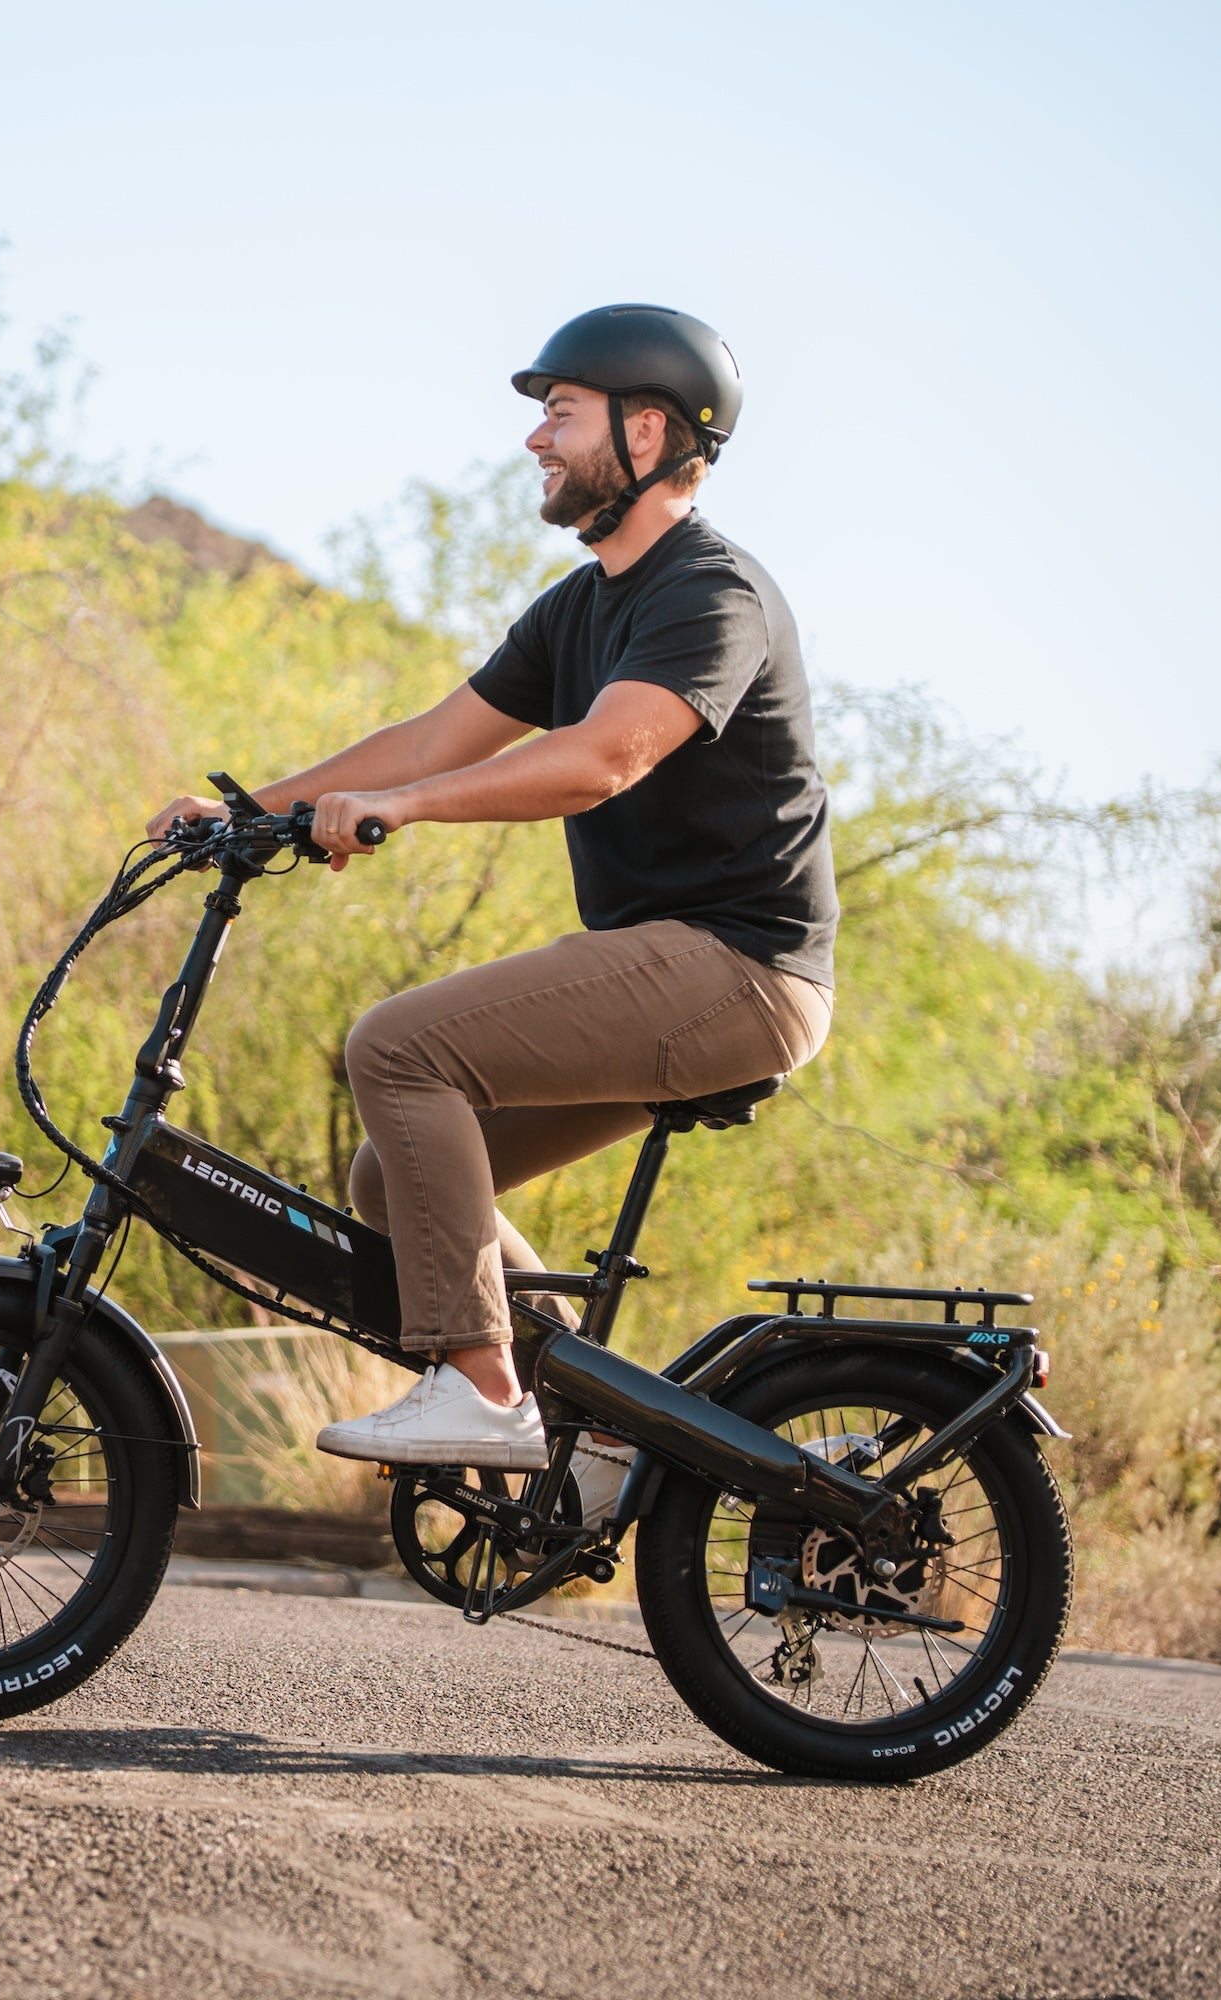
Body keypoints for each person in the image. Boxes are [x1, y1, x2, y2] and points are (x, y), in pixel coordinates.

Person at [146, 304, 835, 1507]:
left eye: (560, 414)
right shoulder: (580, 608)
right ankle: (591, 1424)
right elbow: (431, 734)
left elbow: (601, 758)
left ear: (649, 427)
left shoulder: (709, 593)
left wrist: (407, 809)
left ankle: (484, 1387)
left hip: (741, 971)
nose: (535, 441)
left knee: (400, 1045)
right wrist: (252, 808)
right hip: (665, 964)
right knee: (389, 1182)